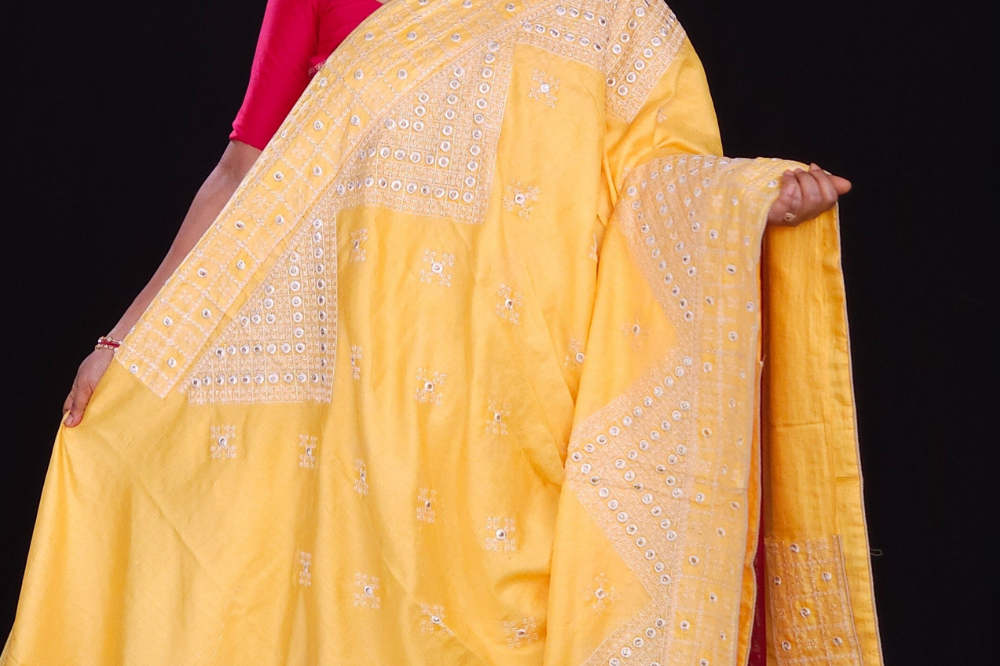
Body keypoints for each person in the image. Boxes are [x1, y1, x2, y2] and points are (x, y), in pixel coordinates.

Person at [3, 1, 880, 664]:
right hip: (349, 417)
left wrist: (745, 200)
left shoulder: (613, 16)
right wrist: (126, 338)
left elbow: (656, 181)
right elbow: (244, 169)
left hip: (522, 418)